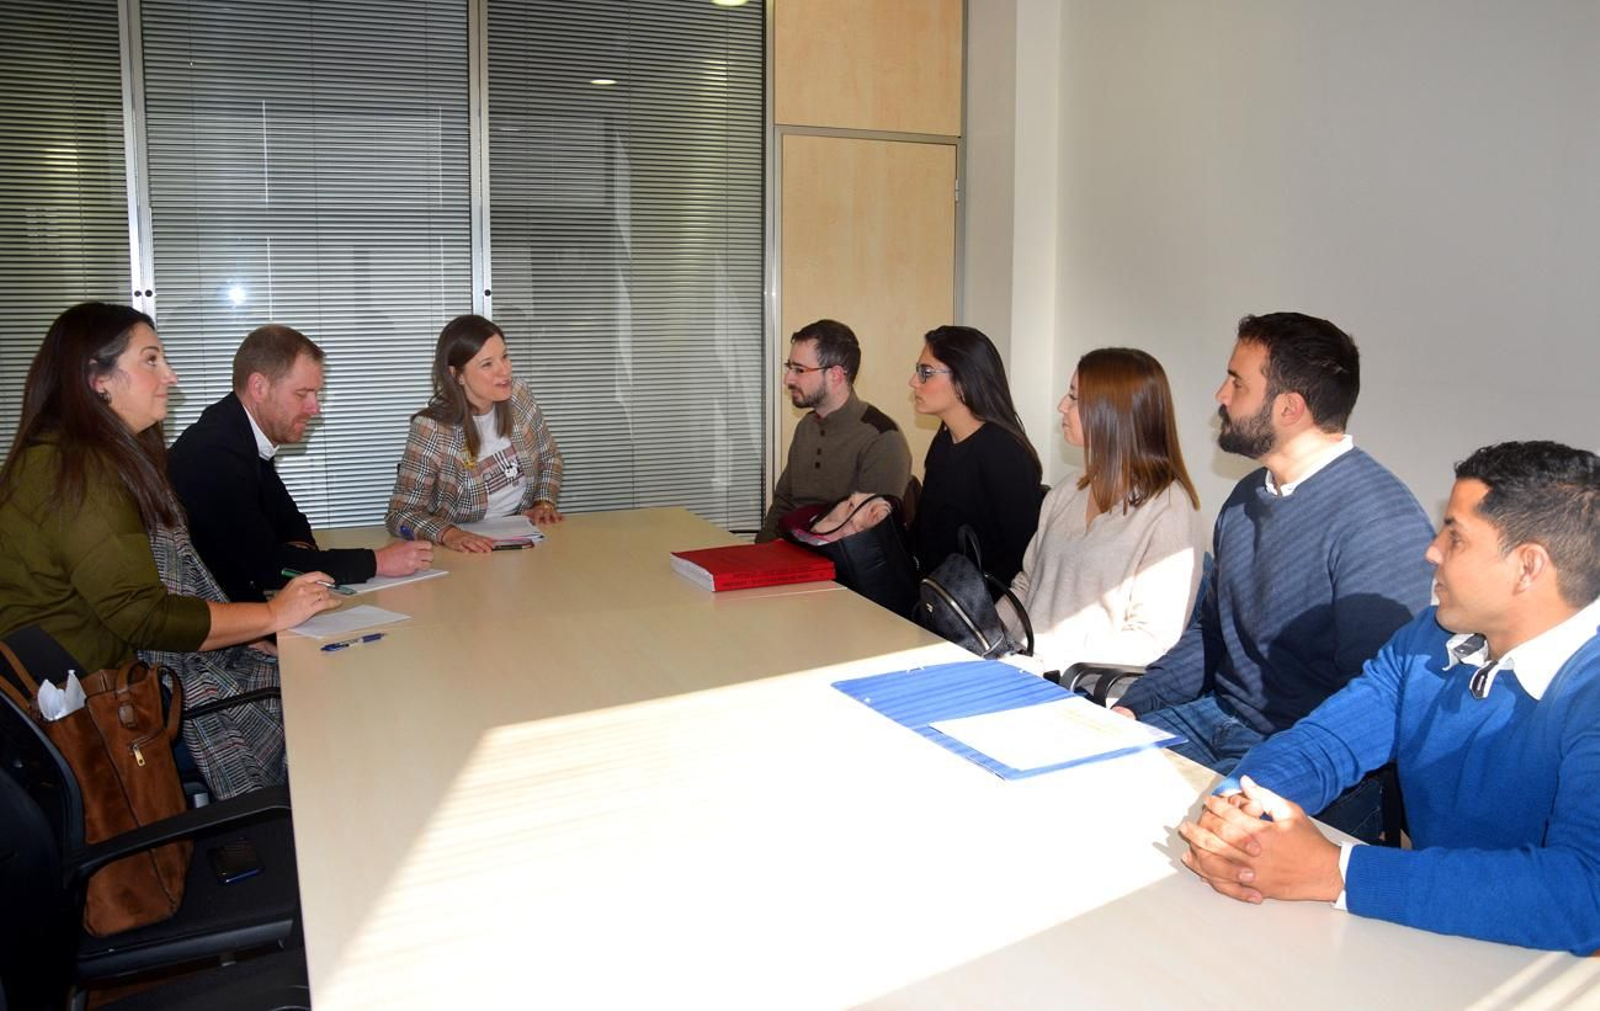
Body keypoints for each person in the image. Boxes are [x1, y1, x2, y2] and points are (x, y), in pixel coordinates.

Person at [1178, 442, 1600, 954]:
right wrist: (1245, 808)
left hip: (1543, 967)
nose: (1432, 550)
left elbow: (1585, 892)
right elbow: (1325, 742)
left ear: (1528, 567)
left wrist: (1337, 871)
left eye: (1455, 536)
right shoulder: (1429, 637)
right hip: (1425, 938)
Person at [0, 303, 339, 798]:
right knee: (323, 698)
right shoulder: (78, 473)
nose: (171, 377)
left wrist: (242, 632)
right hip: (105, 708)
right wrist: (271, 615)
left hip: (117, 677)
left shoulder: (77, 456)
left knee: (309, 672)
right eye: (151, 360)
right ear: (99, 379)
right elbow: (143, 615)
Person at [1113, 313, 1435, 784]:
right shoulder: (1246, 497)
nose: (1221, 395)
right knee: (1086, 773)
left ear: (1289, 408)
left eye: (1237, 383)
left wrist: (1267, 779)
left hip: (1301, 747)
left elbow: (1373, 703)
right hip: (1216, 716)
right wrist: (1133, 706)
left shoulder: (1381, 522)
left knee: (1171, 819)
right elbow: (1211, 632)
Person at [169, 324, 433, 603]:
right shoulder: (215, 452)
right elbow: (267, 566)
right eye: (302, 394)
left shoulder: (241, 432)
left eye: (316, 394)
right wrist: (378, 562)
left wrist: (297, 554)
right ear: (259, 387)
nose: (314, 408)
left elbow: (290, 521)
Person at [999, 348, 1205, 671]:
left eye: (1074, 398)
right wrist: (979, 637)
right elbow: (1027, 584)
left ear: (1113, 413)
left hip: (1084, 686)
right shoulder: (1068, 491)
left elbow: (1151, 639)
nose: (1061, 406)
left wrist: (1051, 660)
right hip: (1025, 668)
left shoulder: (1169, 508)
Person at [386, 314, 563, 552]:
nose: (504, 371)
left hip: (525, 538)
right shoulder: (431, 428)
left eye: (504, 357)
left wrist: (543, 501)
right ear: (457, 375)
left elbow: (549, 457)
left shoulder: (519, 396)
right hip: (465, 551)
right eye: (487, 364)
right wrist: (449, 534)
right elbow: (399, 514)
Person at [907, 325, 1042, 589]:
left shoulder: (1004, 452)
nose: (914, 382)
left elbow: (1021, 560)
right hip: (936, 595)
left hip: (981, 605)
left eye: (926, 372)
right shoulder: (944, 442)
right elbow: (925, 540)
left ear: (963, 381)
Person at [756, 319, 911, 543]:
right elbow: (783, 503)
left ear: (835, 375)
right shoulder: (806, 426)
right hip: (791, 550)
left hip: (838, 560)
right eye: (788, 367)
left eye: (799, 370)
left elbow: (869, 537)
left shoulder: (882, 439)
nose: (787, 378)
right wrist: (762, 550)